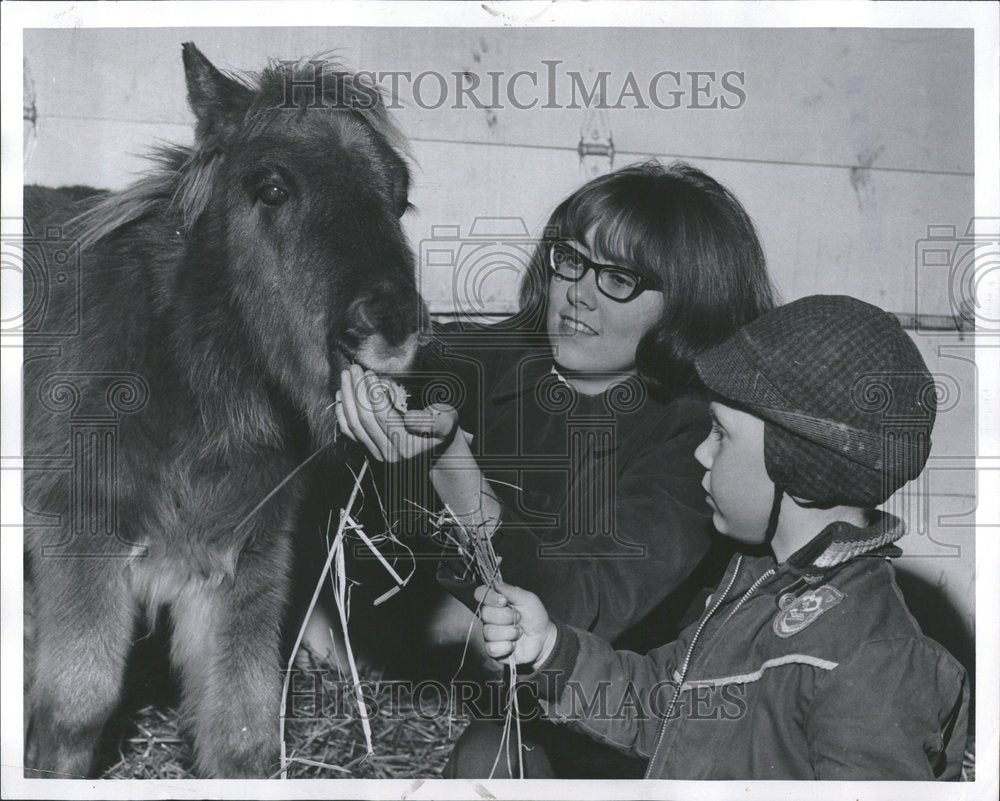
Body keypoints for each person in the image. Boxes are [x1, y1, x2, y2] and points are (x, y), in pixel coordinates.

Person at [334, 161, 776, 777]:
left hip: (632, 718)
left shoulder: (694, 439)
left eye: (619, 277)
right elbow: (399, 352)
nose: (579, 291)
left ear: (687, 306)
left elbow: (577, 604)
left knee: (493, 763)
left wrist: (447, 463)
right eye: (570, 259)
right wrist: (369, 378)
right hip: (520, 698)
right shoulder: (507, 358)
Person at [476, 294, 970, 780]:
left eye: (721, 433)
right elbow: (659, 709)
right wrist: (548, 649)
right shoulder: (752, 589)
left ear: (796, 464)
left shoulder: (875, 657)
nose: (701, 455)